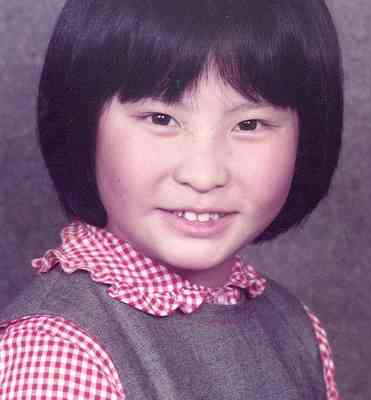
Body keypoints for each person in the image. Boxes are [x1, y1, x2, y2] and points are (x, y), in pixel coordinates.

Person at [0, 0, 343, 399]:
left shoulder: (297, 328)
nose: (204, 176)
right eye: (161, 119)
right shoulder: (59, 352)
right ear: (82, 124)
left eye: (249, 124)